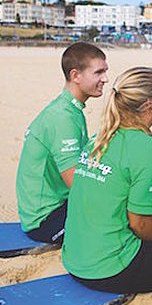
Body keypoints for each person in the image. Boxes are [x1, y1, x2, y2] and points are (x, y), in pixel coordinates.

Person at [62, 66, 152, 293]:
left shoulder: (100, 137)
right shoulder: (147, 148)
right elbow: (138, 222)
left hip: (74, 259)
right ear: (149, 105)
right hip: (109, 270)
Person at [16, 42, 108, 244]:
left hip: (60, 204)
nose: (105, 79)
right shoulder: (62, 117)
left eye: (105, 71)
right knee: (127, 216)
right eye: (99, 72)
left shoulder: (70, 109)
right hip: (45, 221)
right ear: (75, 75)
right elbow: (77, 184)